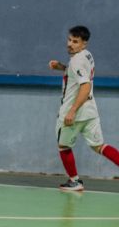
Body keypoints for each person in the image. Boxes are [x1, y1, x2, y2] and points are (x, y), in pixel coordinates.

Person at [49, 25, 119, 191]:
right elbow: (78, 73)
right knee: (99, 146)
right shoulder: (87, 56)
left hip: (72, 113)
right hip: (90, 111)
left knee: (63, 146)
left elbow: (85, 86)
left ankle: (75, 181)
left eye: (75, 42)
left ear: (84, 44)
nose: (70, 44)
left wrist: (72, 111)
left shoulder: (76, 61)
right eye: (69, 40)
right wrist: (61, 67)